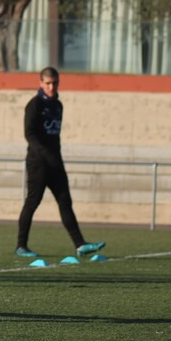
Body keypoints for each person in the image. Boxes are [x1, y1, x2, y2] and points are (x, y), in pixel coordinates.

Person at [15, 67, 105, 258]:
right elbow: (29, 134)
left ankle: (80, 244)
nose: (51, 86)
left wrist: (56, 157)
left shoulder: (58, 105)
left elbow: (54, 135)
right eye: (47, 83)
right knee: (33, 201)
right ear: (40, 83)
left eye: (54, 83)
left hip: (55, 162)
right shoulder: (35, 105)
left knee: (65, 202)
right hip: (38, 163)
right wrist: (45, 153)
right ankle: (21, 246)